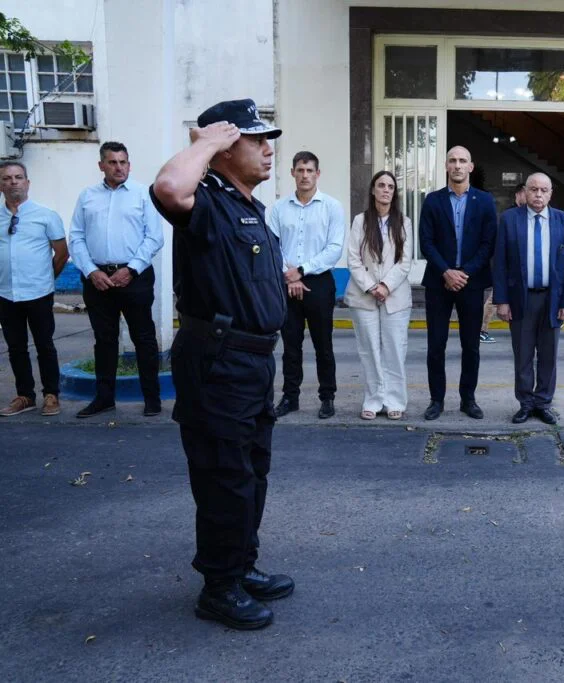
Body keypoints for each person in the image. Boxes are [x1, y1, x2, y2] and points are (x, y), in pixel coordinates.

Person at [150, 99, 293, 630]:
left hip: (253, 365)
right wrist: (204, 142)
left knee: (252, 472)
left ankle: (241, 565)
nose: (268, 148)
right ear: (228, 147)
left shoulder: (248, 205)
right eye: (257, 139)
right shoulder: (205, 200)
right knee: (223, 477)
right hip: (218, 363)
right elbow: (168, 188)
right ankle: (219, 586)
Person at [69, 141, 165, 419]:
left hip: (134, 278)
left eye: (123, 162)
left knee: (144, 338)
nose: (119, 167)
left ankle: (152, 399)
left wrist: (131, 269)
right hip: (97, 280)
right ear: (101, 166)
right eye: (112, 162)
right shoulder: (87, 196)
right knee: (104, 339)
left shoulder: (142, 195)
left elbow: (154, 237)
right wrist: (91, 271)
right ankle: (104, 398)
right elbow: (76, 236)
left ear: (129, 165)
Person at [493, 172, 564, 425]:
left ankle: (543, 403)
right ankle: (525, 403)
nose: (538, 195)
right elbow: (500, 263)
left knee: (548, 355)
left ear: (551, 193)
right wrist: (502, 300)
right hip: (521, 299)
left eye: (544, 190)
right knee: (522, 354)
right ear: (524, 192)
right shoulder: (509, 220)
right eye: (533, 189)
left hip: (552, 300)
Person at [419, 146, 497, 421]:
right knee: (435, 345)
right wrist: (447, 272)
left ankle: (468, 399)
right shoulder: (432, 201)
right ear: (446, 166)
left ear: (471, 167)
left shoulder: (485, 201)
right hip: (439, 283)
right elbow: (426, 242)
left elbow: (489, 243)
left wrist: (464, 272)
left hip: (472, 284)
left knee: (471, 346)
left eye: (463, 160)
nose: (458, 165)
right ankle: (436, 400)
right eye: (452, 161)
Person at [267, 151, 345, 420]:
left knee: (323, 344)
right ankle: (290, 397)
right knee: (290, 345)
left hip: (319, 282)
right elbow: (272, 246)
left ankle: (327, 398)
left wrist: (301, 271)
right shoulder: (278, 208)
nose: (304, 175)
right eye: (300, 170)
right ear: (292, 173)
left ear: (318, 174)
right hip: (286, 284)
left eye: (310, 171)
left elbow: (334, 248)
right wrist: (289, 275)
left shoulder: (332, 207)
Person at [0, 161, 69, 418]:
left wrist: (45, 279)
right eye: (7, 178)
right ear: (1, 185)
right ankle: (24, 396)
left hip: (39, 292)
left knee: (44, 345)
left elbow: (61, 253)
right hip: (6, 293)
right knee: (16, 347)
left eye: (18, 177)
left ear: (27, 183)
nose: (13, 182)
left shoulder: (45, 215)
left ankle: (51, 395)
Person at [343, 170, 413, 420]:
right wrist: (372, 286)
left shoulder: (403, 222)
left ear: (394, 193)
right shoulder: (360, 221)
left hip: (395, 297)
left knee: (395, 349)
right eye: (381, 185)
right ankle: (373, 400)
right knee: (369, 349)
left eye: (390, 187)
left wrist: (385, 285)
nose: (385, 190)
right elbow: (353, 259)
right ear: (373, 190)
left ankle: (395, 401)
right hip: (364, 297)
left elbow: (405, 262)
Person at [481, 182, 528, 345]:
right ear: (518, 194)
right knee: (495, 299)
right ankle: (481, 330)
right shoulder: (509, 214)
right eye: (526, 192)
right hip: (507, 266)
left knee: (498, 298)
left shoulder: (523, 213)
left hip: (515, 267)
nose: (529, 195)